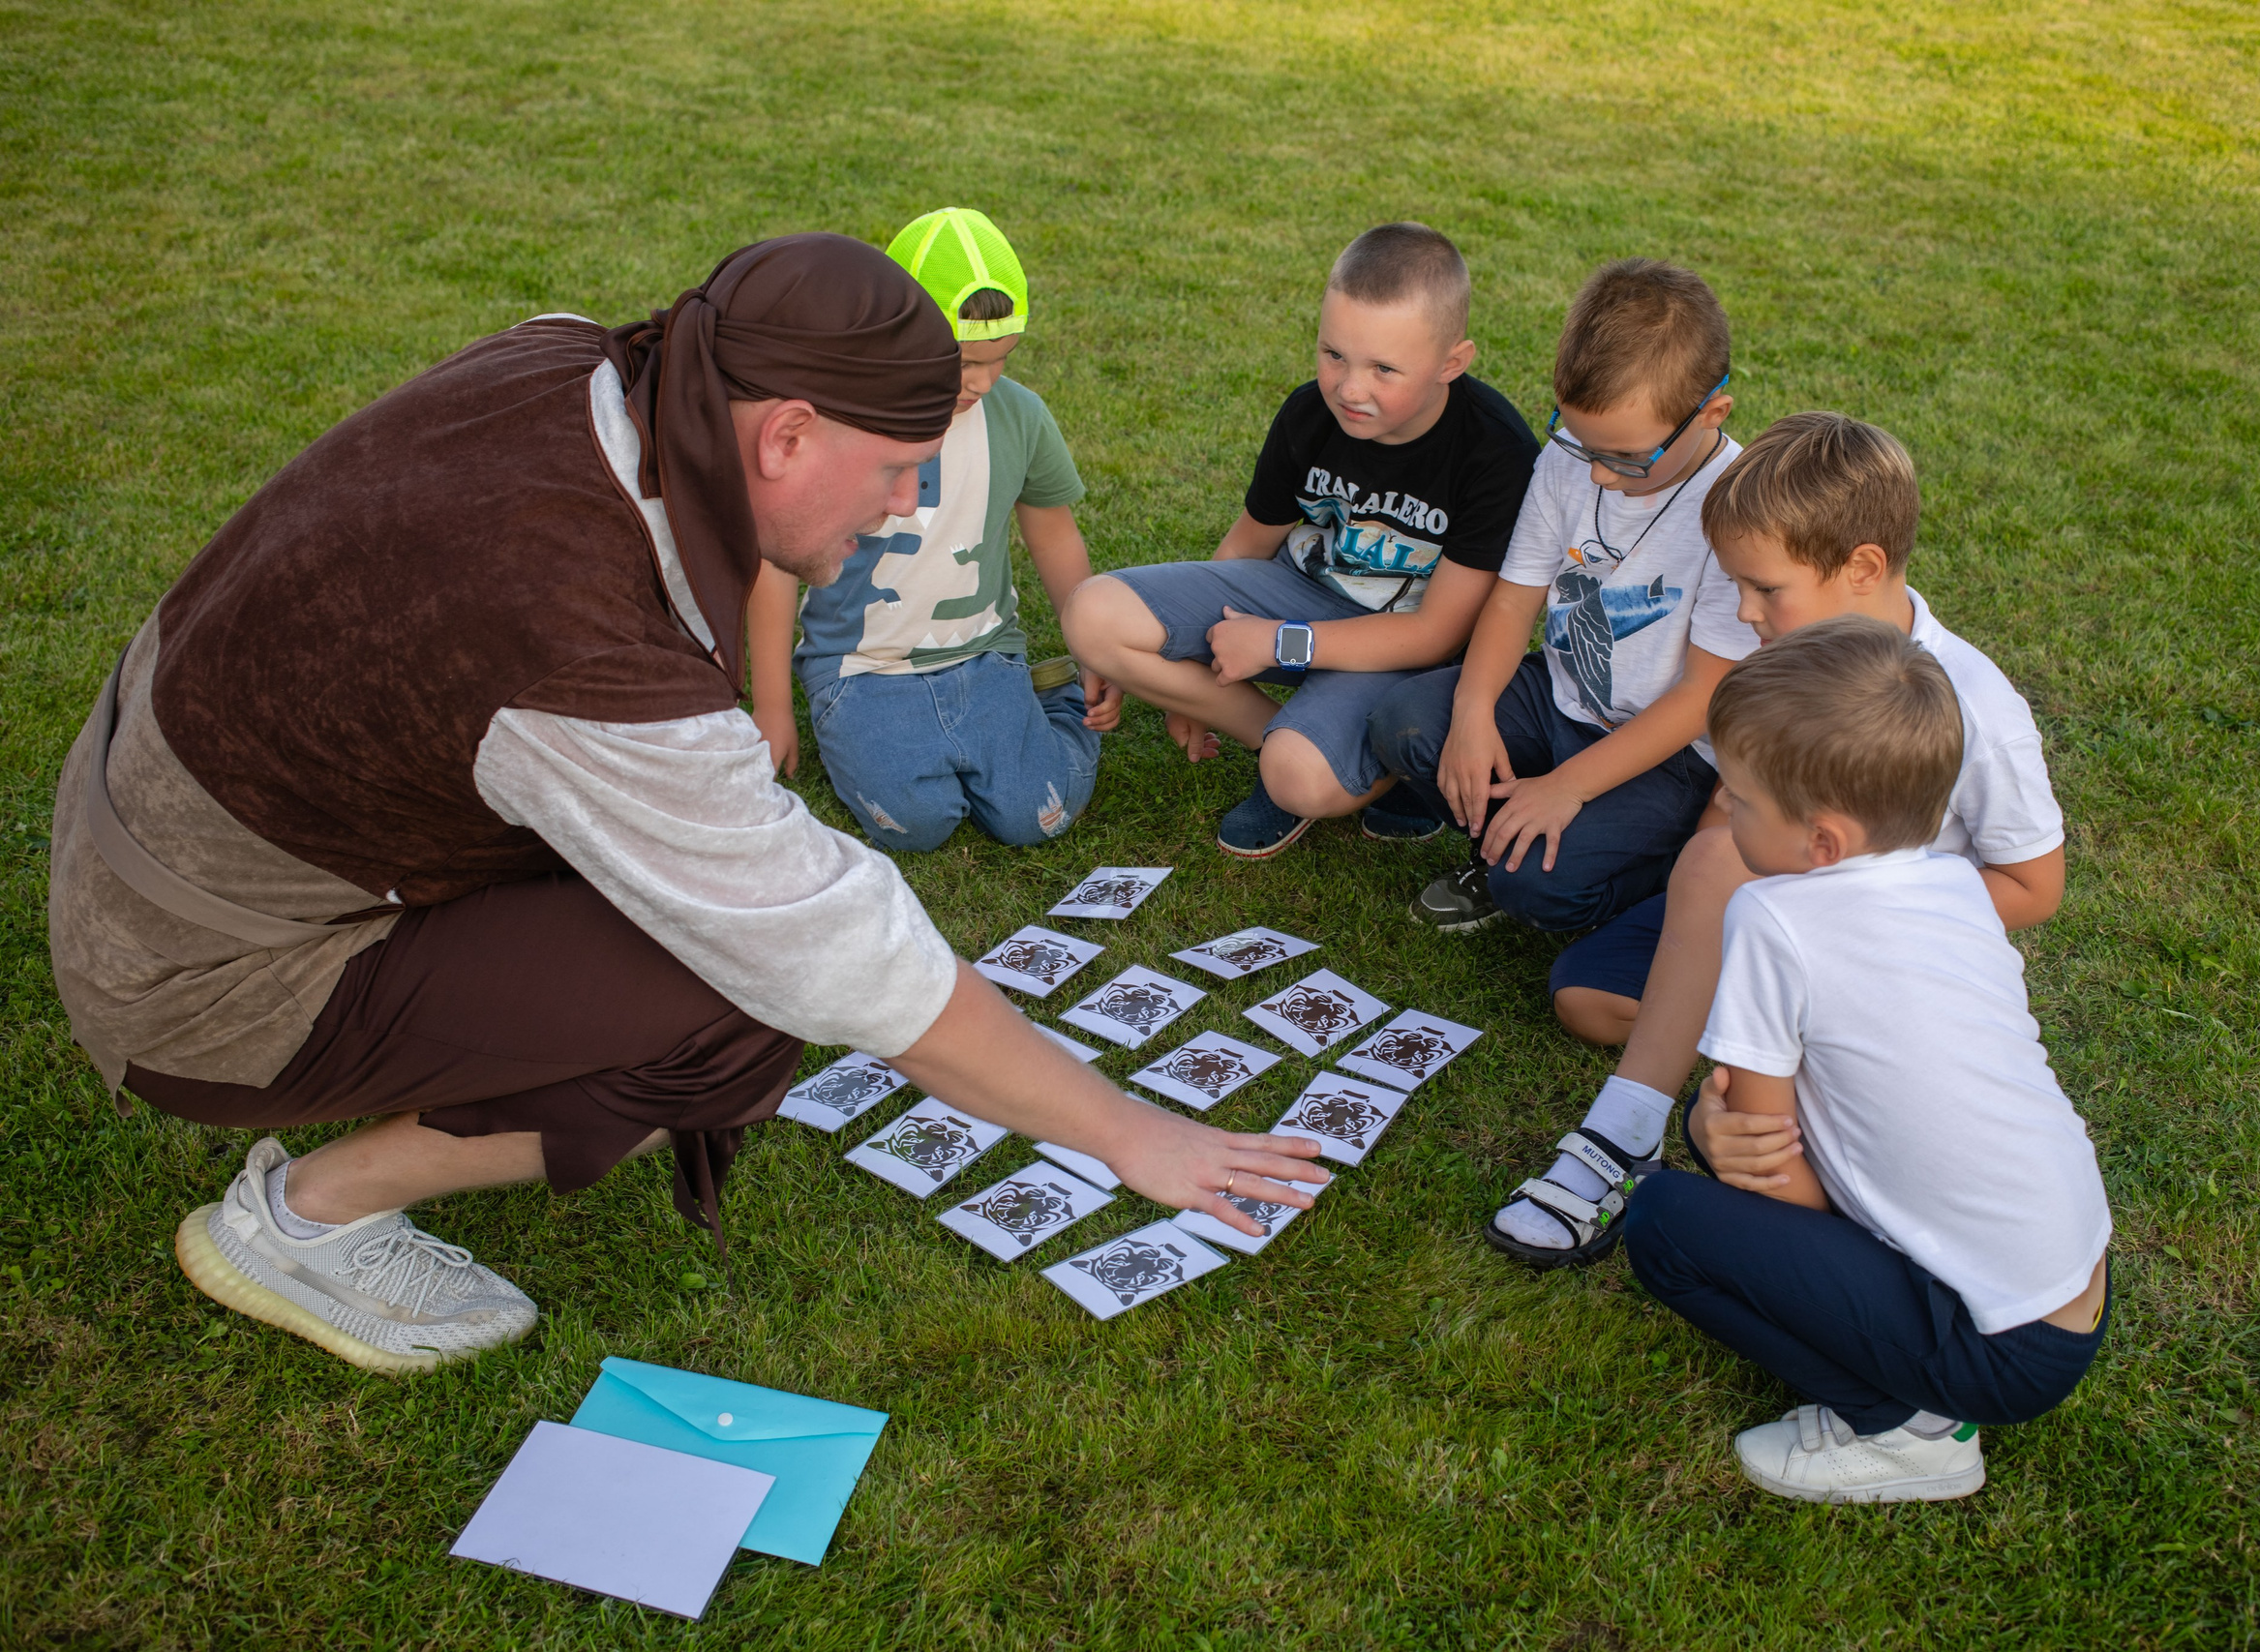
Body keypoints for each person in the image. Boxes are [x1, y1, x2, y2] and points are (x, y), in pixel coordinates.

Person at [45, 233, 1325, 1376]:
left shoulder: (580, 362)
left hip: (150, 798)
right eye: (894, 472)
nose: (900, 510)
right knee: (732, 1000)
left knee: (706, 929)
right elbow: (836, 953)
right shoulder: (572, 645)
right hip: (194, 965)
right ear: (784, 434)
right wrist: (1124, 1130)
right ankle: (307, 1216)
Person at [1487, 412, 2066, 1264]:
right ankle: (1748, 1051)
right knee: (1585, 998)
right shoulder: (1779, 656)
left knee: (1719, 868)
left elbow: (2033, 886)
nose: (1743, 611)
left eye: (1764, 589)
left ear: (1863, 566)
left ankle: (1624, 1131)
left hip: (1883, 960)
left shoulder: (1976, 704)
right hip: (1753, 901)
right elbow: (1732, 804)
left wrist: (1852, 908)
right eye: (1735, 586)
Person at [1624, 616, 2111, 1503]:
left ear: (1823, 841)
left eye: (1738, 797)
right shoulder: (1957, 880)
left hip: (1997, 1347)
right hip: (2074, 1288)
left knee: (1662, 1221)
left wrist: (1709, 1125)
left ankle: (1908, 1431)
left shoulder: (1773, 916)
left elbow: (1763, 1155)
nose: (1723, 810)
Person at [1061, 222, 1538, 857]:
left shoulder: (1495, 451)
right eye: (1332, 353)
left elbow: (1437, 633)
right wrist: (1185, 677)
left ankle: (1382, 761)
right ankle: (1297, 733)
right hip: (1298, 591)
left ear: (1452, 362)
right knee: (1093, 614)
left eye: (1384, 369)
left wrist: (1281, 643)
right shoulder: (1311, 412)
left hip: (1407, 650)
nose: (1350, 388)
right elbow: (1248, 542)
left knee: (1297, 776)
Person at [1367, 257, 1750, 933]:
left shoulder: (1741, 510)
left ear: (1711, 411)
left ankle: (1668, 875)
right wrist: (1474, 708)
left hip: (1670, 757)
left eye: (1627, 457)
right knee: (1408, 722)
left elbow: (1700, 697)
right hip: (1561, 695)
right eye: (1581, 442)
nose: (1599, 473)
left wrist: (1568, 788)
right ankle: (1514, 835)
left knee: (1536, 888)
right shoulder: (1569, 455)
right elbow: (1515, 600)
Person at [745, 207, 1122, 852]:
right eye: (962, 361)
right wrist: (772, 704)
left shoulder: (1022, 417)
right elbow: (776, 563)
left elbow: (1054, 536)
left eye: (999, 359)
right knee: (915, 824)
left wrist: (1094, 644)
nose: (981, 381)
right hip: (862, 667)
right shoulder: (835, 423)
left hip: (983, 653)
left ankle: (1050, 698)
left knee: (1037, 817)